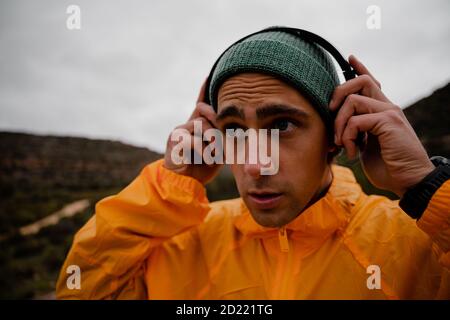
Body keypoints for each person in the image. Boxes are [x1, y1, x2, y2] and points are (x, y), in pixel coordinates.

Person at [56, 28, 450, 299]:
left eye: (281, 125)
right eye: (233, 130)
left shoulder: (417, 245)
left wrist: (425, 187)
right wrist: (168, 189)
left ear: (336, 135)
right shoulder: (183, 245)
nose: (254, 165)